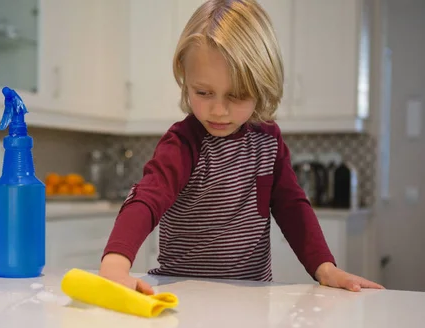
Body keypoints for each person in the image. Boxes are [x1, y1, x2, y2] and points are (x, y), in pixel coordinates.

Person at [99, 0, 384, 294]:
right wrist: (116, 263)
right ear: (185, 78)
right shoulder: (183, 142)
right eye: (203, 92)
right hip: (184, 294)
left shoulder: (268, 140)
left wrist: (325, 267)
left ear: (262, 87)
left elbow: (291, 206)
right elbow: (147, 197)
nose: (218, 110)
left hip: (252, 296)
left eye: (236, 95)